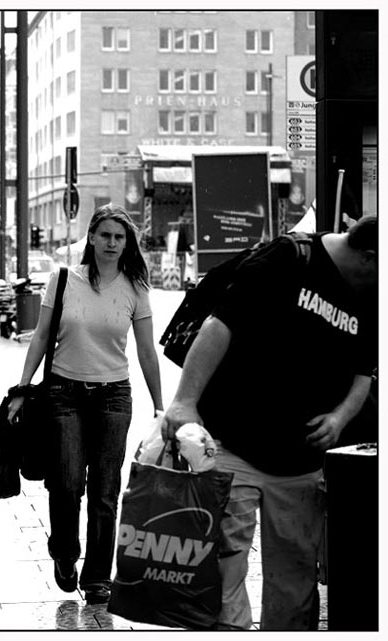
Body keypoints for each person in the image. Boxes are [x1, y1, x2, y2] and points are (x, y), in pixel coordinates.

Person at [159, 215, 378, 631]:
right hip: (232, 445)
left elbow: (363, 372)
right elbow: (217, 327)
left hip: (302, 460)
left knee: (294, 581)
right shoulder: (289, 258)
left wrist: (339, 416)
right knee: (222, 569)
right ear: (369, 258)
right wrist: (185, 401)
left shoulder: (370, 297)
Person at [6, 204, 164, 605]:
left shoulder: (135, 288)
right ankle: (64, 552)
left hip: (113, 396)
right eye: (106, 235)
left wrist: (161, 407)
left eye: (120, 237)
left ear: (126, 243)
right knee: (68, 483)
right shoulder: (62, 280)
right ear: (91, 237)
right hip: (64, 394)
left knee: (105, 491)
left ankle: (97, 577)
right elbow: (41, 337)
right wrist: (22, 388)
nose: (112, 243)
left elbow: (146, 351)